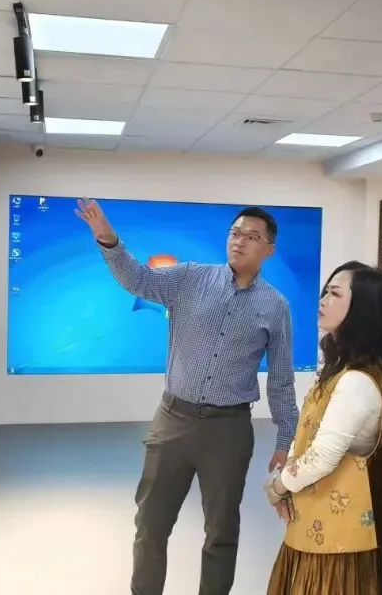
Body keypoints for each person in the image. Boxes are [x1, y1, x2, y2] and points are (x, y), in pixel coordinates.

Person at [75, 198, 299, 595]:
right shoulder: (190, 278)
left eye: (251, 236)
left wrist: (285, 437)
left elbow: (281, 378)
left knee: (222, 531)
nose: (239, 241)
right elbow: (139, 280)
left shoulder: (275, 306)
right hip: (173, 421)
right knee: (150, 524)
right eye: (235, 233)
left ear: (268, 249)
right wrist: (108, 239)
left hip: (228, 430)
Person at [262, 261, 382, 595]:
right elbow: (308, 435)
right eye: (325, 291)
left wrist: (278, 487)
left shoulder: (356, 380)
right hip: (319, 529)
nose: (323, 300)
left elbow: (322, 457)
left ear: (361, 308)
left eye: (335, 293)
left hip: (335, 543)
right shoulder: (344, 369)